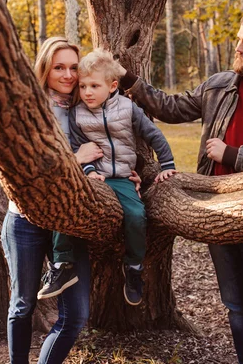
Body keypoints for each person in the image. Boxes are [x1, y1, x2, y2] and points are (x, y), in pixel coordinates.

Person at [119, 8, 243, 364]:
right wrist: (128, 81)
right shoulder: (219, 85)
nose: (238, 48)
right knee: (237, 308)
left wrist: (233, 154)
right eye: (239, 40)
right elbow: (172, 107)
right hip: (216, 213)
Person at [1, 37, 134, 364]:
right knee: (22, 306)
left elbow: (111, 142)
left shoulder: (85, 105)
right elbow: (23, 169)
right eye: (59, 67)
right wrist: (76, 158)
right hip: (25, 220)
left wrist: (123, 174)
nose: (68, 74)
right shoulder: (28, 108)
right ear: (45, 68)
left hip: (70, 221)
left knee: (75, 314)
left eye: (73, 67)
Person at [42, 48, 176, 306]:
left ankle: (134, 267)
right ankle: (61, 261)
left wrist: (167, 164)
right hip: (91, 174)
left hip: (121, 177)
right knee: (66, 203)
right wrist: (90, 172)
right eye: (82, 86)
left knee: (136, 216)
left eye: (94, 85)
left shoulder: (128, 108)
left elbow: (154, 135)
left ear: (113, 86)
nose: (87, 92)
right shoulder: (77, 113)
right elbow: (78, 146)